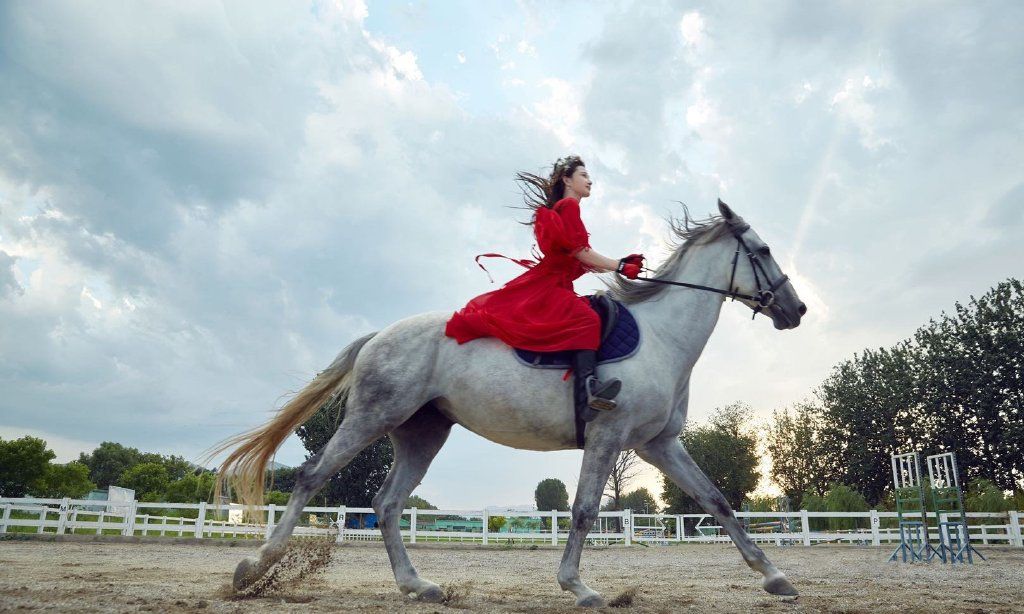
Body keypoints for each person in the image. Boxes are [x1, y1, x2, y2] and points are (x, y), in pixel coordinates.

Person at [445, 155, 644, 413]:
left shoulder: (565, 209)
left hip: (552, 284)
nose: (590, 180)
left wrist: (621, 262)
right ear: (567, 180)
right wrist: (618, 265)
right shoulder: (569, 208)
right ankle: (588, 393)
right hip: (550, 287)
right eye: (583, 175)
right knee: (588, 320)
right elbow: (580, 252)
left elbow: (583, 258)